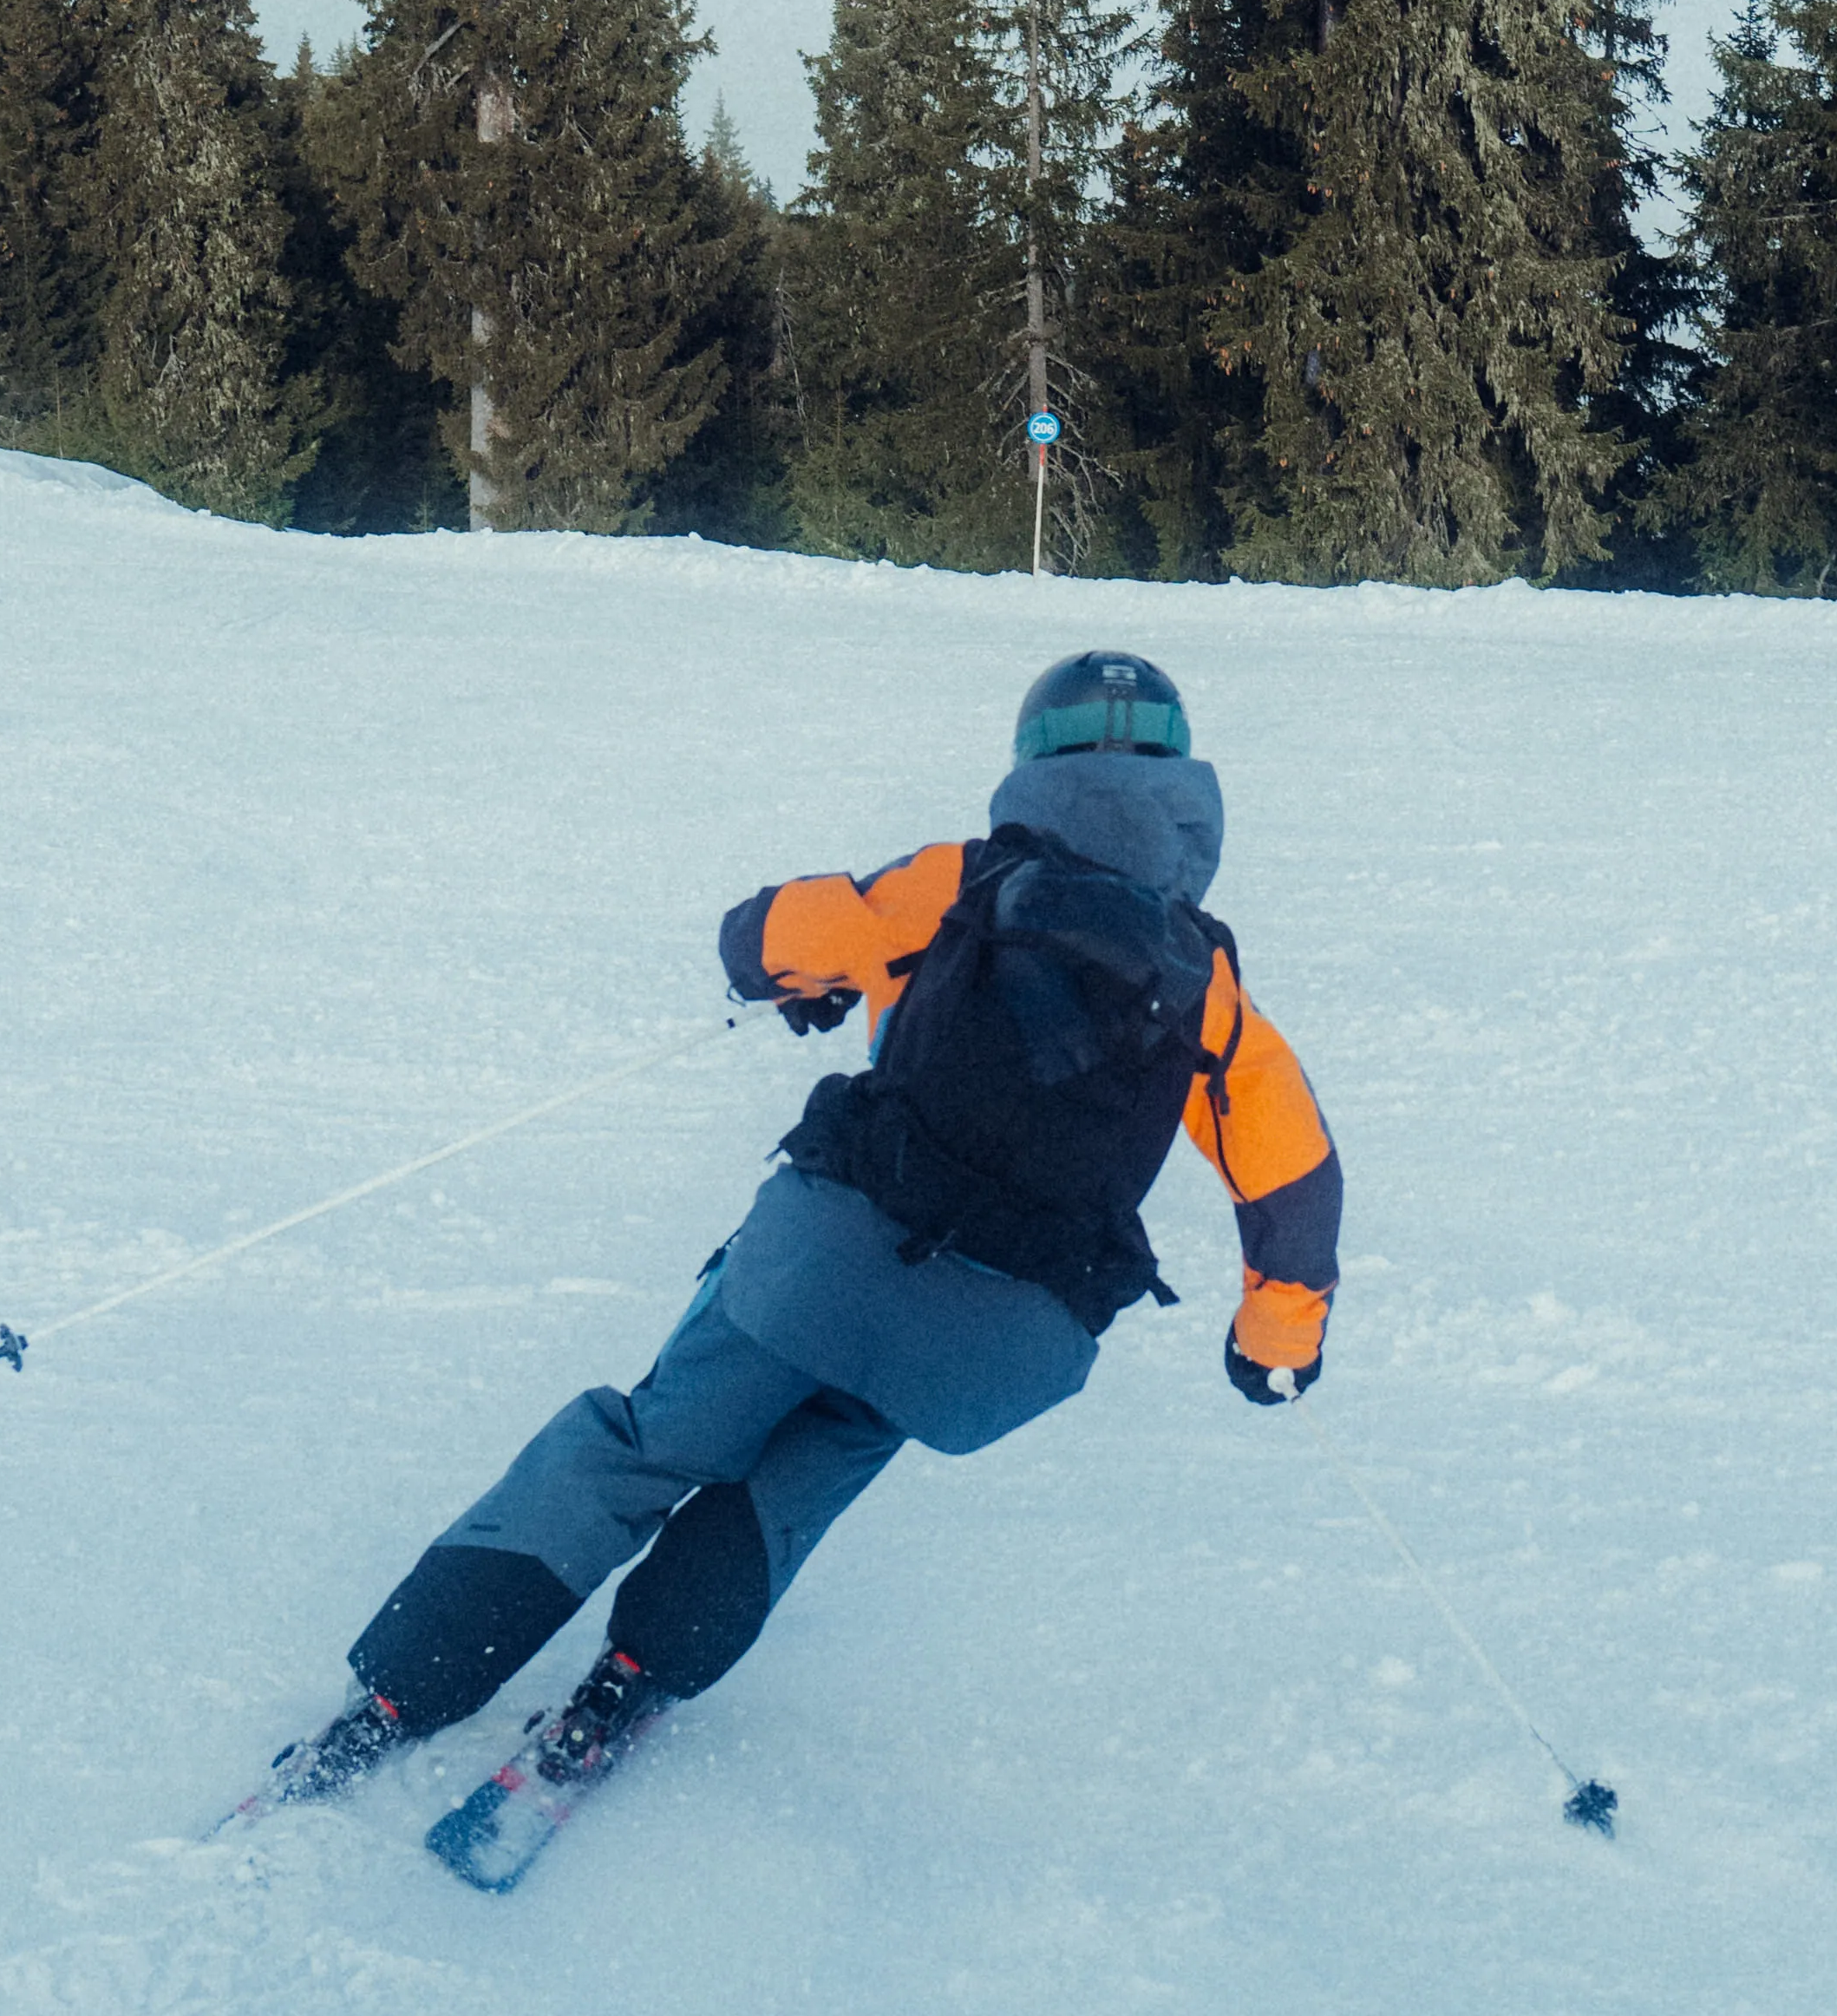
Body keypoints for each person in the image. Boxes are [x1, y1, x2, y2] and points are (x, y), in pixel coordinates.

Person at [258, 650, 1341, 1810]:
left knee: (649, 1441)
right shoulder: (1211, 983)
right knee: (809, 1466)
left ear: (1030, 760)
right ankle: (634, 1676)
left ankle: (408, 1684)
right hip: (1004, 1337)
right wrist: (1277, 1343)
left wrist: (810, 979)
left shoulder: (960, 880)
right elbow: (1294, 1178)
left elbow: (761, 934)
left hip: (827, 1256)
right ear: (1185, 784)